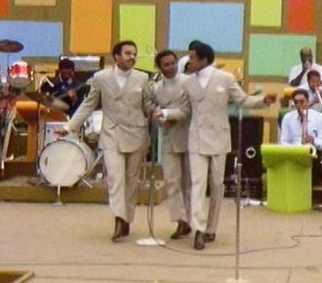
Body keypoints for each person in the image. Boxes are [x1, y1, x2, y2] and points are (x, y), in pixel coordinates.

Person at [157, 42, 277, 250]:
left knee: (217, 184)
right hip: (196, 139)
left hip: (219, 139)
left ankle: (212, 227)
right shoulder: (189, 83)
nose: (189, 61)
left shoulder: (226, 78)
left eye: (193, 58)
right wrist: (165, 113)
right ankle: (199, 229)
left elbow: (243, 100)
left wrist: (263, 100)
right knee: (197, 185)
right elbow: (184, 111)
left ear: (204, 59)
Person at [57, 41, 151, 242]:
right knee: (115, 179)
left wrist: (160, 114)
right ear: (116, 56)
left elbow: (148, 105)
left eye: (134, 54)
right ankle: (118, 217)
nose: (132, 57)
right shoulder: (101, 77)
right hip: (111, 134)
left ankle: (127, 218)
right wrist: (69, 127)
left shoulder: (143, 78)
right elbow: (88, 104)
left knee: (131, 182)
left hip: (136, 133)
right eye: (127, 53)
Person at [152, 50, 192, 240]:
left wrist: (166, 114)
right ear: (160, 67)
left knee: (189, 183)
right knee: (172, 181)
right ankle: (180, 220)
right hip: (169, 137)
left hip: (190, 137)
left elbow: (186, 111)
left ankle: (191, 220)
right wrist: (161, 118)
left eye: (173, 63)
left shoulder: (188, 82)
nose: (171, 67)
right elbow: (155, 112)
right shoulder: (156, 88)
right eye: (166, 64)